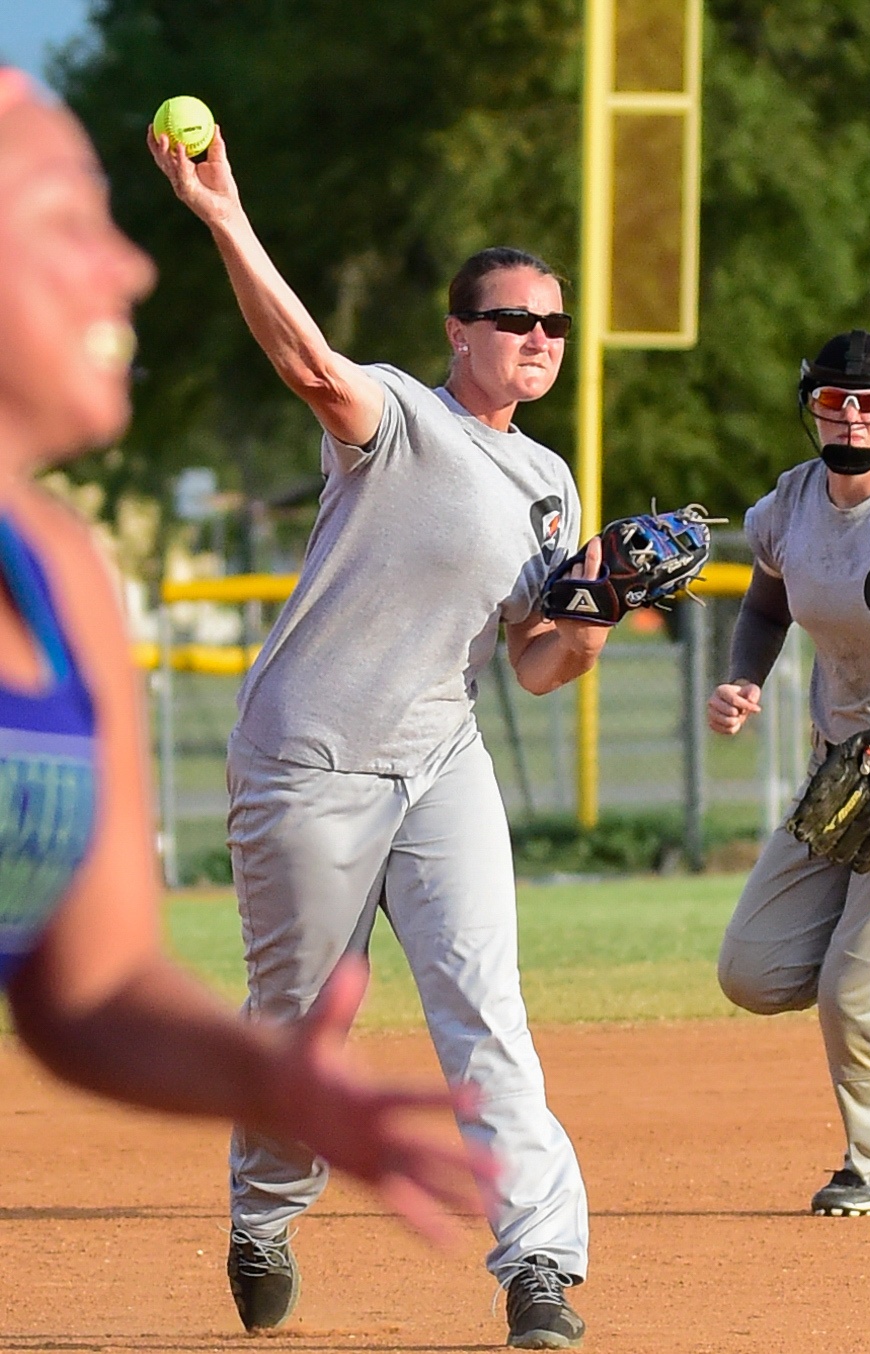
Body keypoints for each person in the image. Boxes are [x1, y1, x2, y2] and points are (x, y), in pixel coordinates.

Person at [0, 60, 497, 1297]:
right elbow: (318, 369)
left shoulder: (59, 572)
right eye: (66, 220)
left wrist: (268, 1081)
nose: (130, 268)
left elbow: (94, 989)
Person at [148, 114, 610, 1348]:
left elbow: (536, 664)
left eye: (553, 323)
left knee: (484, 1008)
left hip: (440, 756)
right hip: (309, 757)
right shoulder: (397, 416)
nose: (537, 340)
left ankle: (538, 1268)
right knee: (301, 1023)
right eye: (513, 319)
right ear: (458, 332)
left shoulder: (552, 482)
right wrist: (222, 216)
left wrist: (596, 614)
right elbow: (304, 360)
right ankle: (260, 1215)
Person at [708, 328, 870, 1217]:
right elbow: (764, 603)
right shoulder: (791, 504)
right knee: (755, 971)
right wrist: (743, 678)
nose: (850, 416)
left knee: (854, 987)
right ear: (810, 407)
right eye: (833, 399)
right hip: (842, 775)